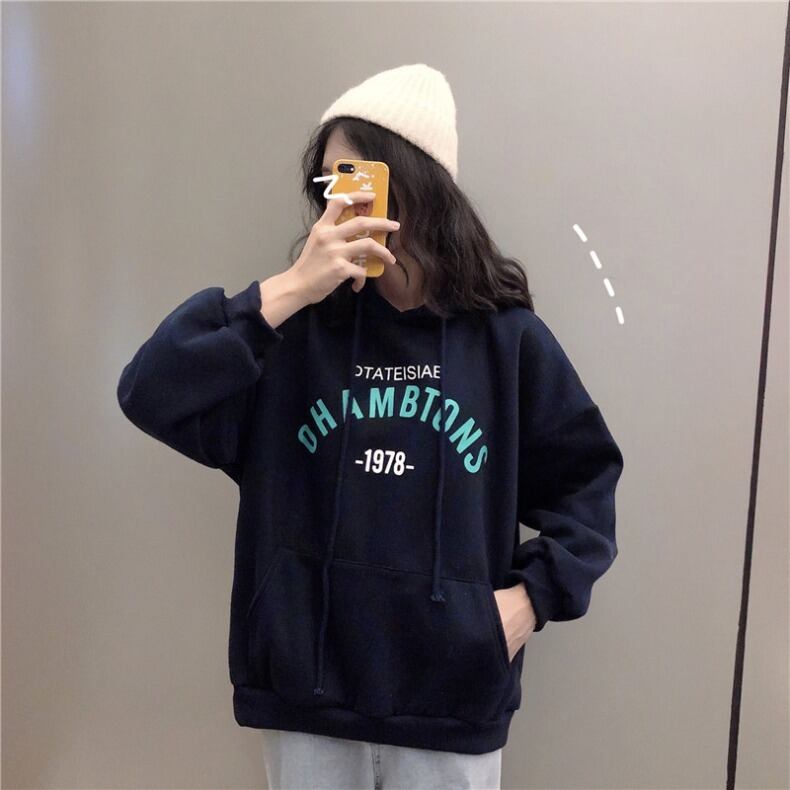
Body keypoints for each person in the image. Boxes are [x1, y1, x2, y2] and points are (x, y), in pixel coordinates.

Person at [117, 63, 625, 789]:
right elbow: (149, 390)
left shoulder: (505, 343)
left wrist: (528, 601)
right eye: (328, 184)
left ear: (413, 181)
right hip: (308, 703)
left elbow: (587, 484)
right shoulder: (292, 335)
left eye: (356, 178)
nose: (339, 200)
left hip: (451, 709)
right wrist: (289, 289)